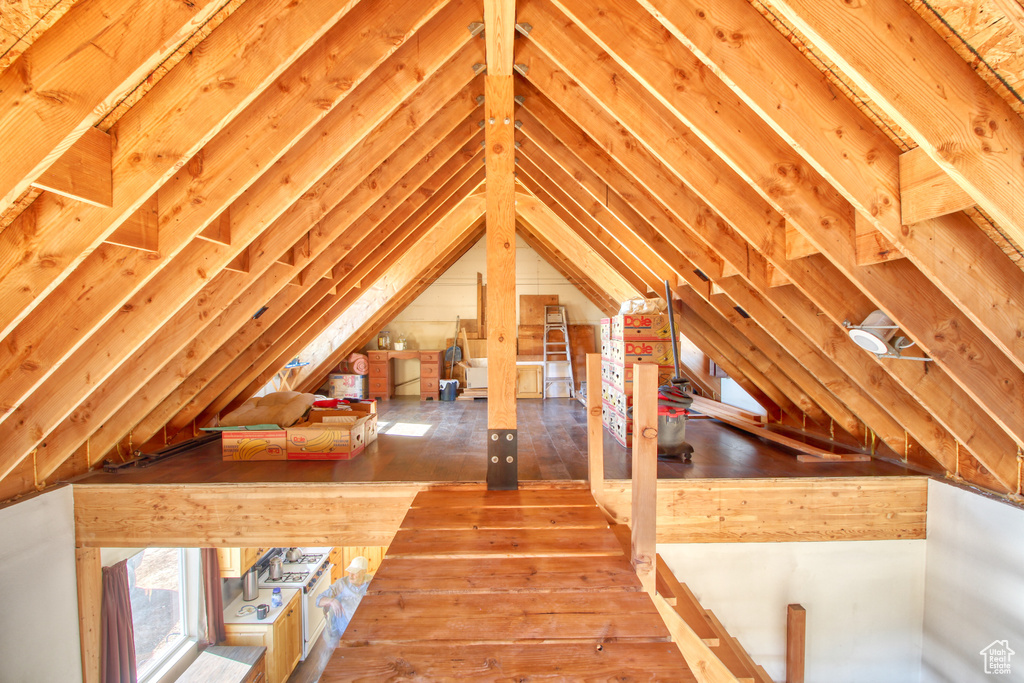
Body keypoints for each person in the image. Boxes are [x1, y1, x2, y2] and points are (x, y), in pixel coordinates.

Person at [316, 556, 371, 641]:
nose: (351, 576)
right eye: (350, 571)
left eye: (355, 572)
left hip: (366, 631)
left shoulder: (372, 583)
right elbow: (319, 600)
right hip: (344, 632)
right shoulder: (342, 584)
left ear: (364, 572)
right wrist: (332, 601)